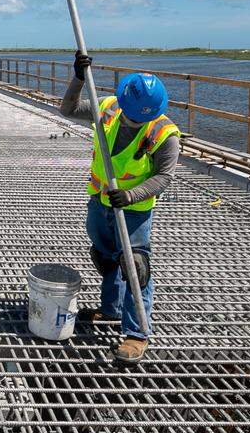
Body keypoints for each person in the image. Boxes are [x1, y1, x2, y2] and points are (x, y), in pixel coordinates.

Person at [60, 54, 179, 366]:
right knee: (106, 256)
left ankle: (137, 334)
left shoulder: (164, 135)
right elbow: (68, 109)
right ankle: (110, 310)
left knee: (135, 267)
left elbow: (164, 177)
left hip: (134, 209)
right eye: (130, 116)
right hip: (100, 200)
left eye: (138, 119)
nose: (132, 121)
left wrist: (130, 195)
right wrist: (79, 78)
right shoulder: (109, 106)